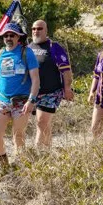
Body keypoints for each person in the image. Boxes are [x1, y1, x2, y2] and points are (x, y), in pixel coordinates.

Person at [0, 22, 40, 176]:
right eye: (6, 35)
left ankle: (19, 169)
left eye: (12, 35)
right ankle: (4, 166)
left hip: (21, 101)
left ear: (18, 37)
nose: (9, 38)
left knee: (18, 135)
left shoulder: (26, 53)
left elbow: (35, 79)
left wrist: (31, 100)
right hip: (2, 100)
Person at [27, 20, 74, 150]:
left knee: (41, 122)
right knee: (43, 124)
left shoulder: (54, 47)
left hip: (52, 92)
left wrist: (67, 88)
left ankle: (38, 152)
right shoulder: (29, 48)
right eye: (34, 28)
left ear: (46, 31)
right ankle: (47, 151)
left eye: (39, 29)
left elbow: (66, 71)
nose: (36, 31)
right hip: (34, 93)